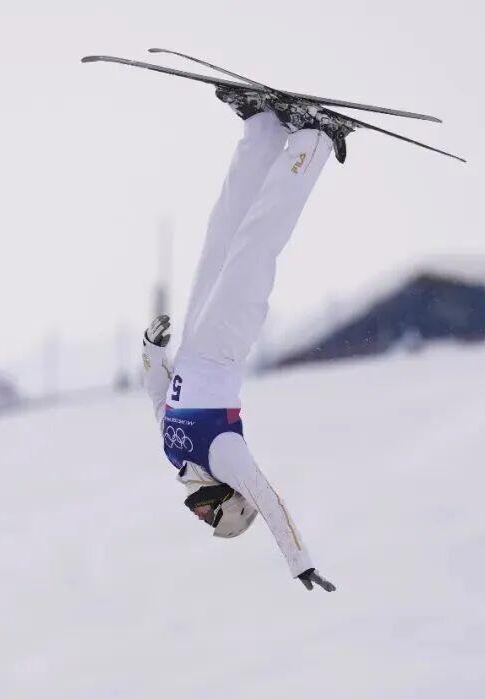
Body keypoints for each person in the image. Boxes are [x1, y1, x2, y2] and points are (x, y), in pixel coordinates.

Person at [140, 87, 356, 592]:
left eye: (203, 517)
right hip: (224, 343)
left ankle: (263, 131)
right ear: (232, 504)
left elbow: (157, 394)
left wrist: (151, 349)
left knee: (221, 235)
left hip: (193, 341)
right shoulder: (226, 457)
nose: (198, 512)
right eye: (209, 516)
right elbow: (270, 499)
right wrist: (299, 561)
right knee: (256, 243)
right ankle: (316, 140)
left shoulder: (178, 457)